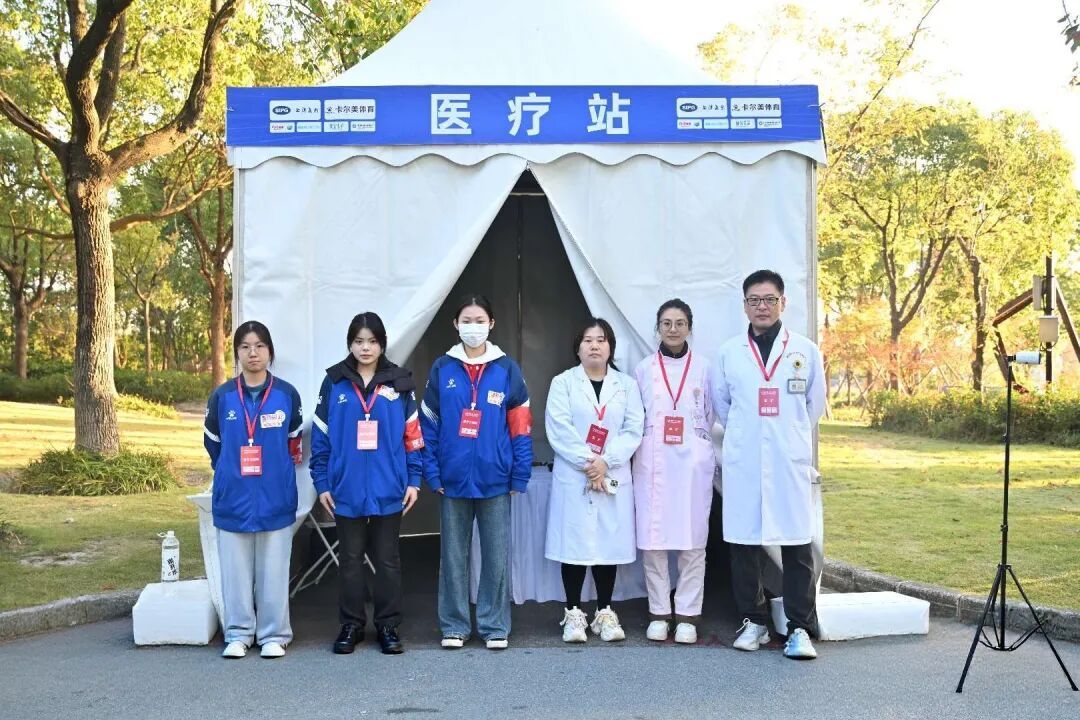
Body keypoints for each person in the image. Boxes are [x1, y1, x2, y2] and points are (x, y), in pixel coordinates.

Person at [714, 269, 826, 660]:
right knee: (744, 544)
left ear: (783, 302)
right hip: (745, 459)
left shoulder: (805, 351)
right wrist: (750, 435)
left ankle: (799, 628)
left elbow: (813, 405)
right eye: (754, 300)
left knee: (797, 546)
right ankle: (754, 621)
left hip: (786, 459)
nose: (762, 306)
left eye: (769, 299)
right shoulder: (729, 353)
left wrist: (786, 435)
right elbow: (723, 406)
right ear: (744, 305)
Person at [420, 294, 533, 650]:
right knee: (453, 557)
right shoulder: (443, 368)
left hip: (495, 477)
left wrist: (520, 472)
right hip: (452, 479)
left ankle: (494, 625)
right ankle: (454, 625)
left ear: (491, 324)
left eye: (479, 320)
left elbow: (520, 426)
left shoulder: (506, 369)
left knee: (496, 556)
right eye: (466, 321)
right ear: (456, 325)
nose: (473, 327)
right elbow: (428, 423)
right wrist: (432, 472)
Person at [310, 312, 424, 656]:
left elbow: (413, 435)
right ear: (350, 344)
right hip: (346, 488)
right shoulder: (334, 382)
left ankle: (388, 625)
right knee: (350, 560)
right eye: (359, 341)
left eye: (372, 341)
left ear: (382, 344)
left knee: (388, 561)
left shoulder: (399, 382)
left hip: (390, 487)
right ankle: (352, 625)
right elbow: (321, 438)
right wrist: (322, 482)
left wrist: (414, 479)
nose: (365, 348)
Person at [203, 321, 303, 659]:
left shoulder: (287, 395)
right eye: (245, 347)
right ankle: (238, 633)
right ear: (237, 353)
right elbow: (213, 444)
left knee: (274, 571)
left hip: (275, 496)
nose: (253, 353)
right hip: (234, 497)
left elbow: (294, 443)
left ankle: (274, 634)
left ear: (270, 351)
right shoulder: (222, 396)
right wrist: (231, 473)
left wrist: (276, 474)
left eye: (259, 346)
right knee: (235, 572)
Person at [544, 318, 644, 643]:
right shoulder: (563, 383)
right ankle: (573, 612)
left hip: (610, 472)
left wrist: (606, 462)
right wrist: (590, 463)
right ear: (578, 348)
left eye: (601, 339)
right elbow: (558, 428)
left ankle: (604, 612)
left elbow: (633, 429)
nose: (595, 346)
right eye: (588, 340)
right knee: (574, 544)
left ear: (611, 347)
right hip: (576, 475)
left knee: (607, 545)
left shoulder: (626, 385)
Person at [632, 299, 717, 645]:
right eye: (666, 323)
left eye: (680, 323)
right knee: (653, 541)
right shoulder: (643, 369)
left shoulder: (706, 368)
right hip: (653, 460)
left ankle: (687, 615)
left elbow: (710, 413)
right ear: (658, 328)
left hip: (692, 463)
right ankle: (658, 612)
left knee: (692, 541)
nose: (673, 329)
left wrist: (696, 444)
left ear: (689, 328)